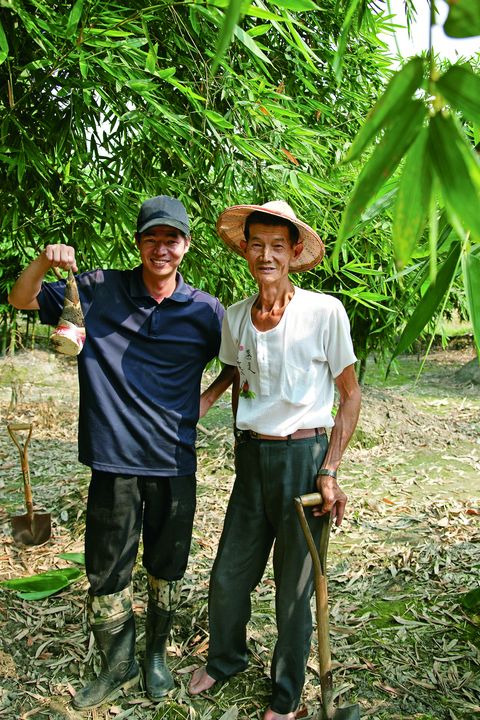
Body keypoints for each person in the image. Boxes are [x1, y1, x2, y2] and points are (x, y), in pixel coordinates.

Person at [8, 195, 235, 710]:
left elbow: (239, 360)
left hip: (174, 457)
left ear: (186, 245)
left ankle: (155, 656)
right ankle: (117, 664)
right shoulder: (96, 290)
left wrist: (205, 400)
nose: (161, 248)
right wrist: (45, 262)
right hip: (113, 458)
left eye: (171, 238)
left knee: (167, 562)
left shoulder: (205, 310)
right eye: (151, 237)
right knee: (107, 569)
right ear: (138, 243)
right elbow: (21, 299)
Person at [188, 200, 361, 720]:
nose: (266, 255)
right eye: (257, 244)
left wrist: (329, 469)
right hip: (252, 458)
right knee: (228, 575)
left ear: (293, 253)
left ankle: (285, 697)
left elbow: (349, 395)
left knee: (295, 588)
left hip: (304, 458)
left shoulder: (324, 312)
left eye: (277, 246)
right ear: (246, 249)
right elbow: (238, 373)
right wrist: (211, 403)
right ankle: (226, 658)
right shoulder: (237, 317)